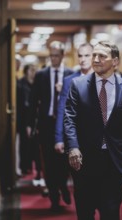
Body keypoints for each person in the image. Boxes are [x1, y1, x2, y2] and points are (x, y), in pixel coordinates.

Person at [64, 40, 122, 220]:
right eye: (94, 55)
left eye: (102, 56)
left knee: (110, 212)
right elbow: (69, 118)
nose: (96, 59)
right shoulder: (78, 85)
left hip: (114, 161)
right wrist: (73, 147)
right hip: (85, 159)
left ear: (115, 62)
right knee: (85, 212)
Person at [28, 41, 73, 211]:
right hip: (47, 124)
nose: (53, 59)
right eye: (51, 56)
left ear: (62, 56)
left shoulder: (71, 75)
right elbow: (33, 101)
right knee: (48, 161)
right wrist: (30, 124)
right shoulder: (41, 75)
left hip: (64, 124)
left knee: (63, 161)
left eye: (56, 56)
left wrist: (63, 92)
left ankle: (63, 186)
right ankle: (54, 197)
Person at [55, 43, 93, 154]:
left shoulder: (101, 79)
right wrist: (59, 138)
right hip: (74, 137)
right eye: (80, 56)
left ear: (94, 56)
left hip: (97, 138)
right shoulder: (69, 81)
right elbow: (62, 110)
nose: (83, 59)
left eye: (87, 55)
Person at [17, 64, 37, 175]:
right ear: (26, 71)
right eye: (31, 70)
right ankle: (24, 166)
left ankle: (32, 165)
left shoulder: (36, 83)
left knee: (33, 143)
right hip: (23, 117)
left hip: (34, 117)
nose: (33, 72)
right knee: (24, 143)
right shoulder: (20, 84)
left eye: (35, 70)